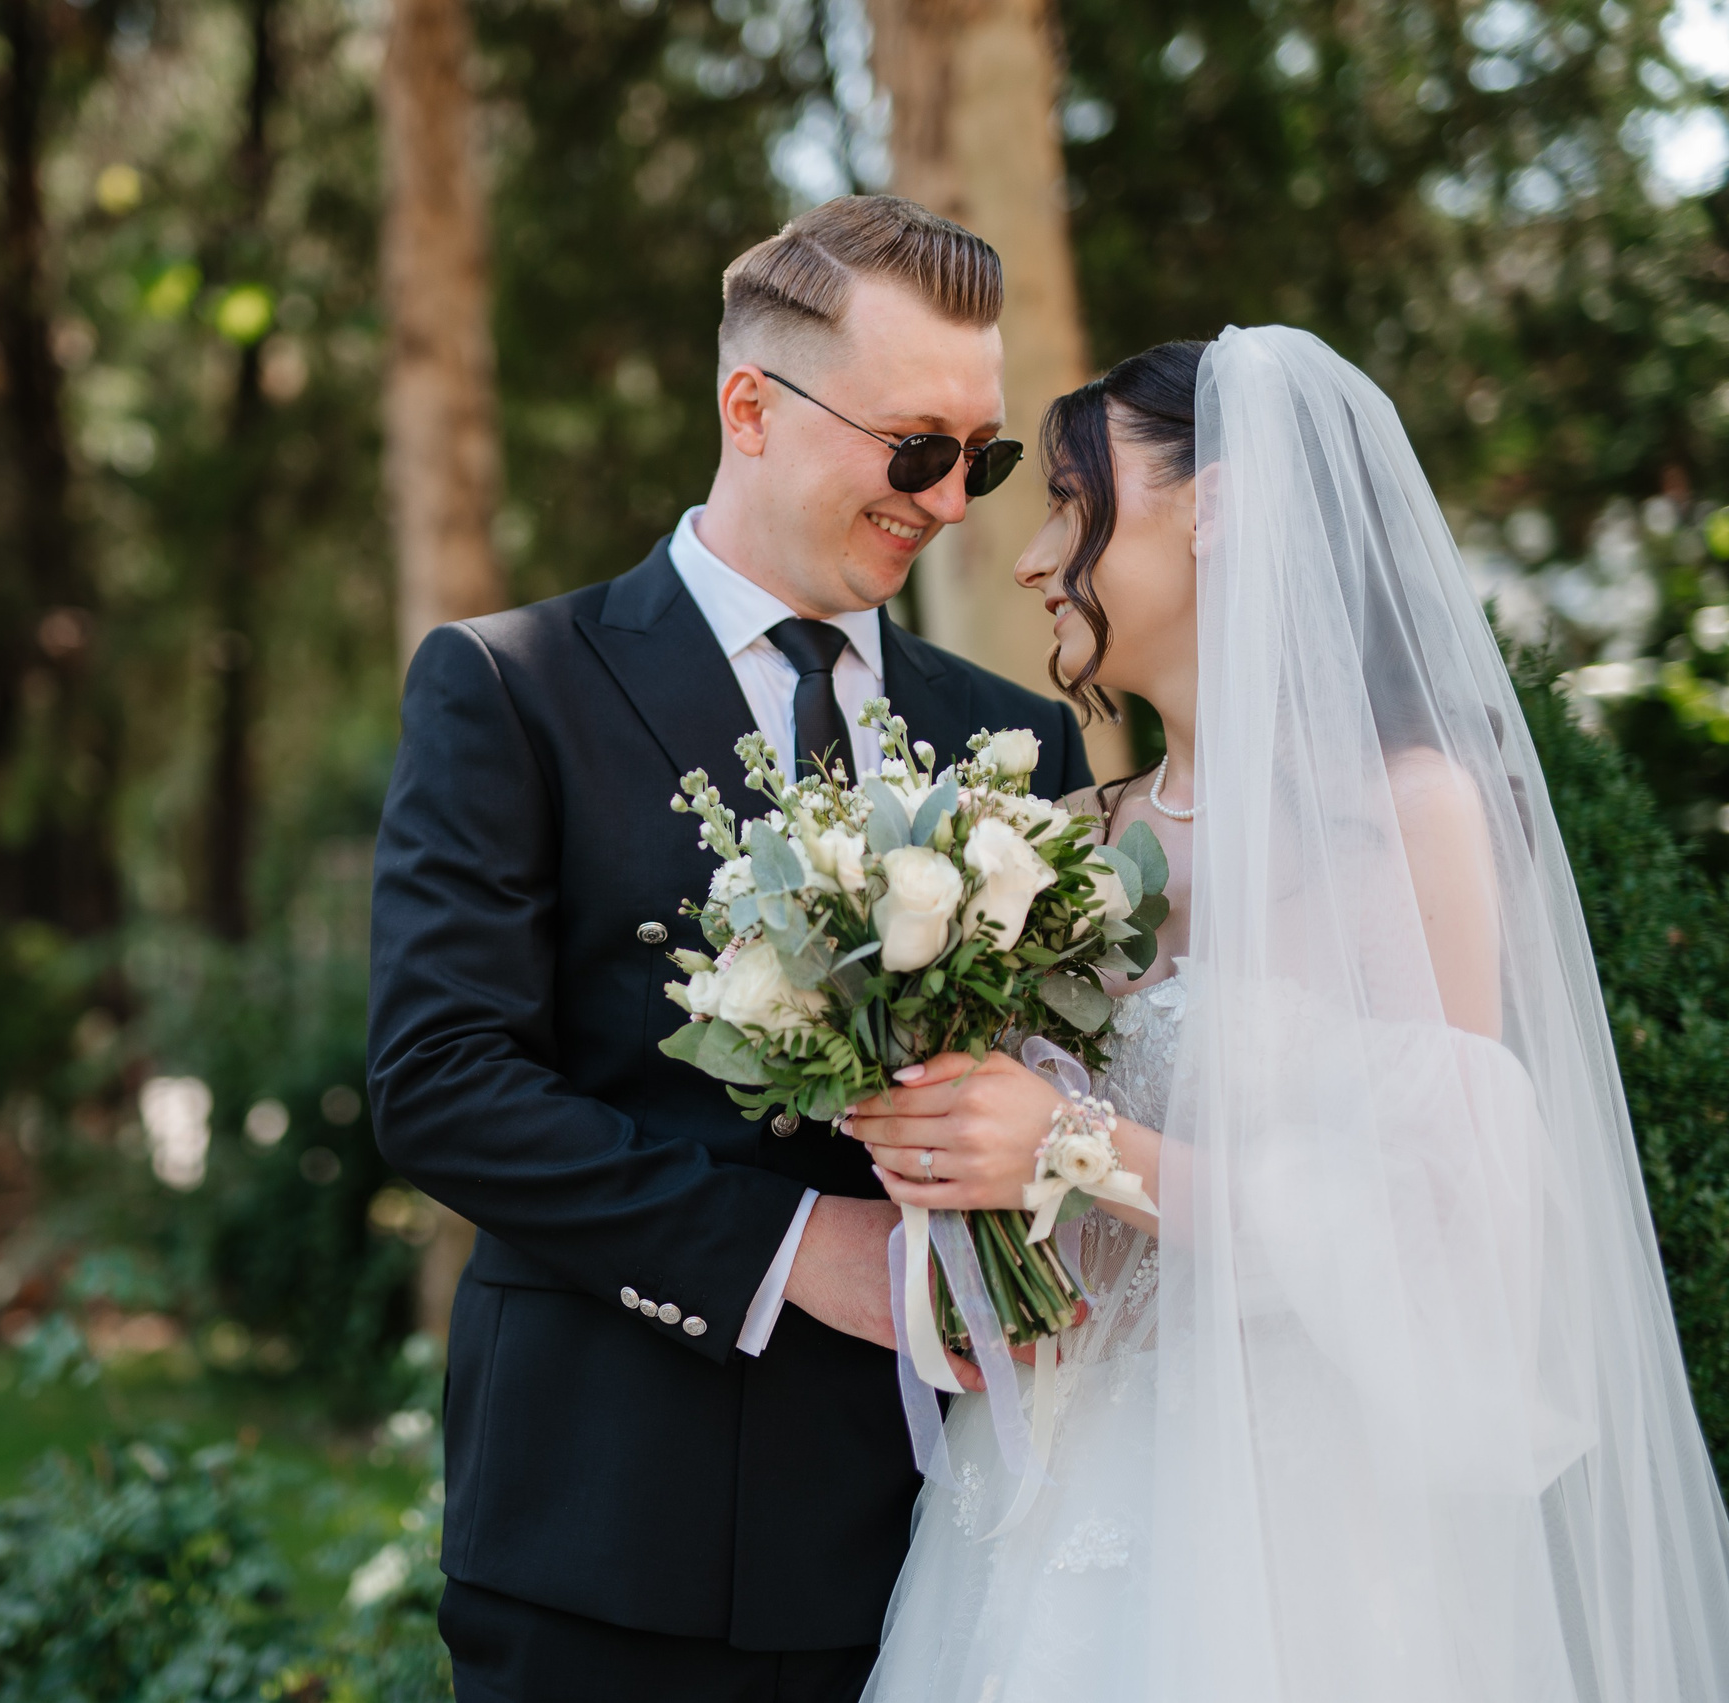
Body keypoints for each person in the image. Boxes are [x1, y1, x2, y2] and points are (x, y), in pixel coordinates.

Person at [851, 327, 1729, 1701]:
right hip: (1048, 1515)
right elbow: (1072, 1252)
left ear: (1221, 509)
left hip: (1310, 1526)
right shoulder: (1060, 845)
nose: (1030, 558)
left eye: (1073, 506)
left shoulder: (1407, 814)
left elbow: (1452, 1227)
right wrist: (952, 1156)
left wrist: (1077, 1141)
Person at [366, 195, 1092, 1702]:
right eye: (915, 449)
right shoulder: (512, 687)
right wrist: (790, 1252)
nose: (953, 502)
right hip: (610, 1531)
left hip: (957, 1547)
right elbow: (441, 1082)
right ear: (749, 406)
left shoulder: (1017, 741)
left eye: (985, 457)